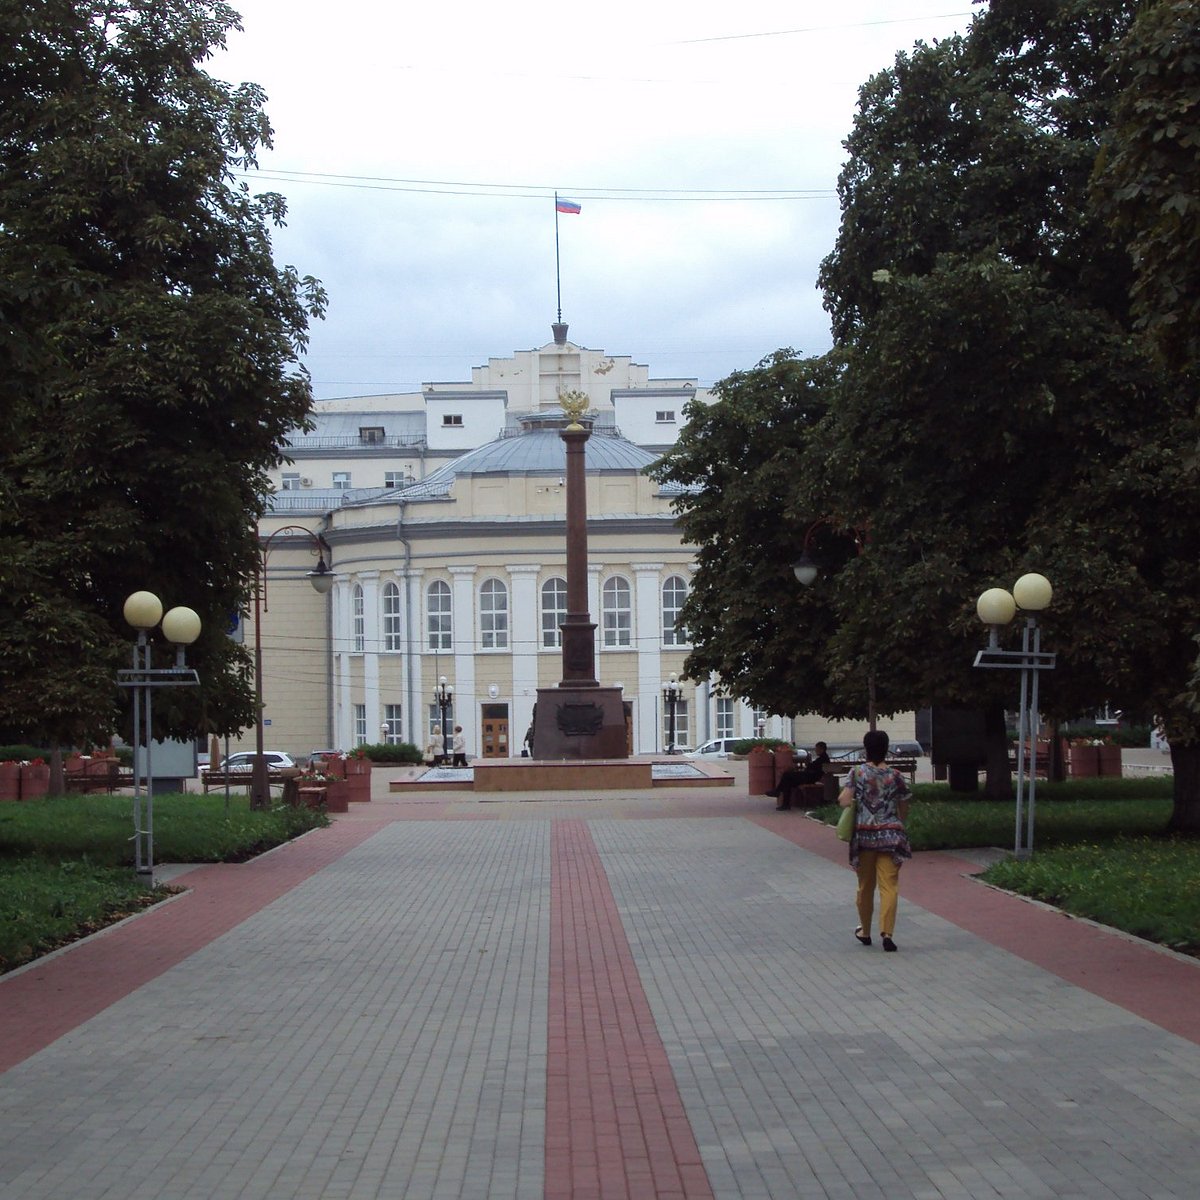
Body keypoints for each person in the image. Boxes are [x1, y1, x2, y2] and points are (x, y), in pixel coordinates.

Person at [838, 730, 911, 951]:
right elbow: (904, 806)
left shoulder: (857, 773)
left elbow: (844, 801)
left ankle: (865, 931)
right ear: (886, 747)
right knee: (889, 886)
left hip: (865, 838)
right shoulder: (895, 775)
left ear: (866, 748)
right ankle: (887, 933)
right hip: (891, 837)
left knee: (865, 886)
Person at [767, 741, 831, 810]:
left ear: (821, 749)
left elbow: (811, 767)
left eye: (817, 749)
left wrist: (808, 763)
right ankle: (784, 802)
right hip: (809, 776)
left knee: (787, 775)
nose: (815, 750)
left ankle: (778, 793)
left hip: (810, 778)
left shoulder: (823, 759)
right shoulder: (823, 757)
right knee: (787, 781)